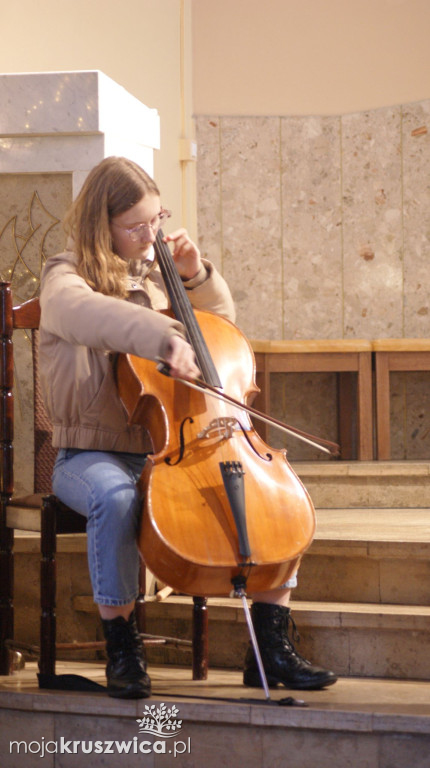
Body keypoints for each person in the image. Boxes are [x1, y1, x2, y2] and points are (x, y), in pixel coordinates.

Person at [39, 155, 337, 699]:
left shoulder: (159, 276)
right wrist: (161, 336)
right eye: (136, 226)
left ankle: (269, 648)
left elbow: (221, 327)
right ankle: (123, 647)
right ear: (99, 225)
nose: (150, 235)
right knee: (117, 498)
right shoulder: (65, 276)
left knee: (274, 499)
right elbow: (92, 318)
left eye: (157, 220)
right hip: (89, 456)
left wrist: (196, 275)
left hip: (176, 445)